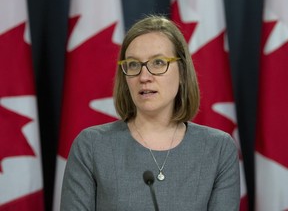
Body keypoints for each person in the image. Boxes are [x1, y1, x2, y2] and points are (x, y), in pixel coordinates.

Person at [60, 15, 240, 211]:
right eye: (134, 65)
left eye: (158, 63)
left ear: (181, 72)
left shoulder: (218, 149)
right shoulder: (92, 146)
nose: (144, 77)